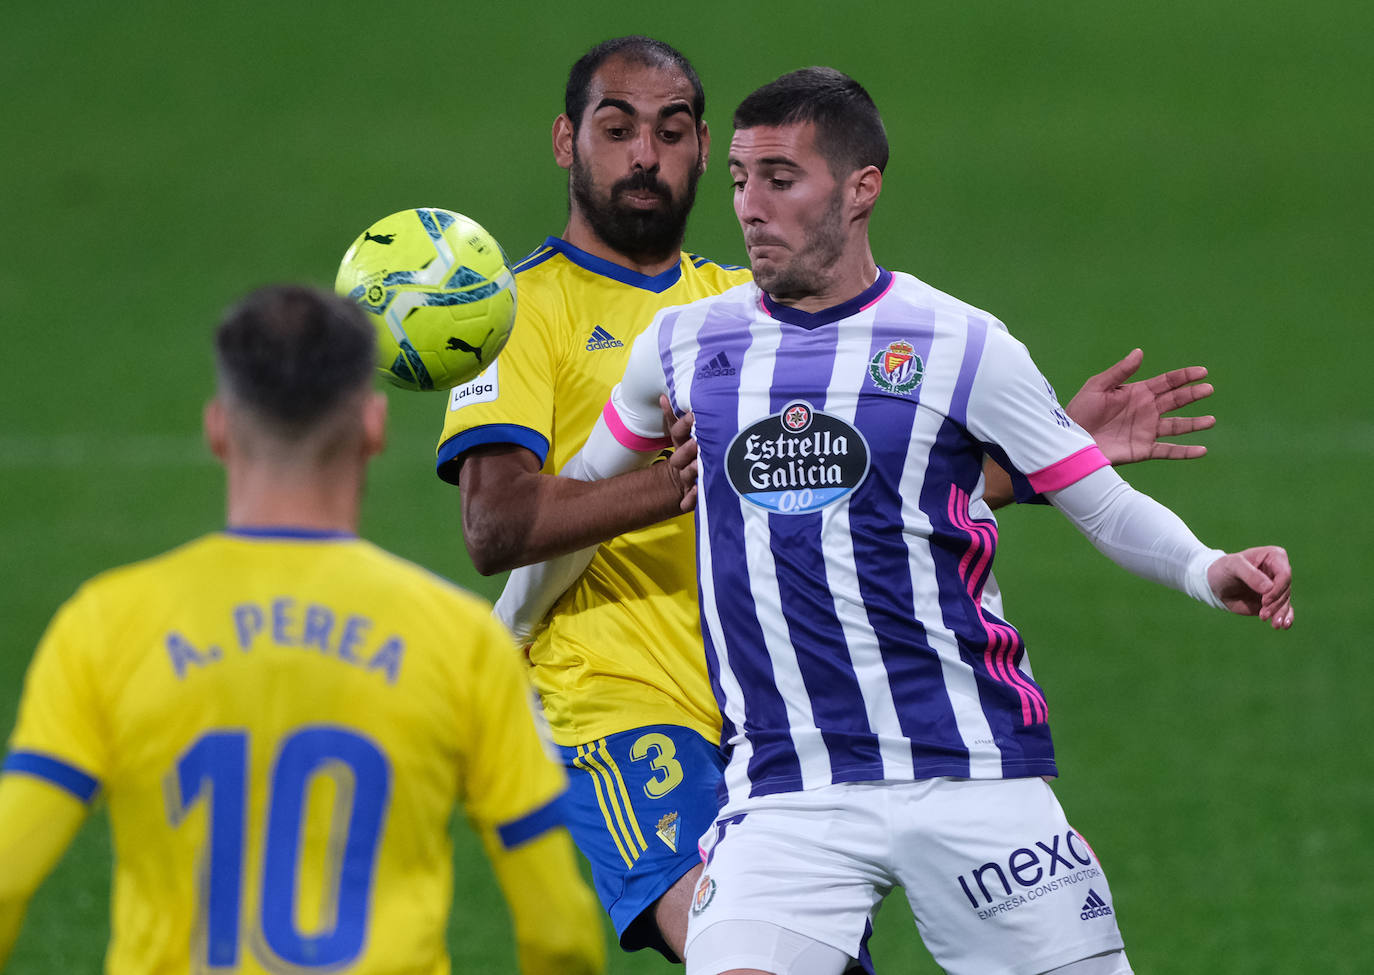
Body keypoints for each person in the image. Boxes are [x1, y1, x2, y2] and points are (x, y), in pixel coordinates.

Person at [439, 37, 1218, 963]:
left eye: (674, 132)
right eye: (618, 130)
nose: (647, 155)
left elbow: (867, 488)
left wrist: (1053, 450)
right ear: (567, 142)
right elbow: (499, 528)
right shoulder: (531, 310)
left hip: (776, 704)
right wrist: (646, 507)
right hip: (618, 700)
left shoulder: (739, 308)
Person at [0, 285, 604, 974]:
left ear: (218, 427)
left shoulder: (104, 625)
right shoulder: (464, 642)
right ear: (373, 425)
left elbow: (8, 875)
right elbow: (559, 931)